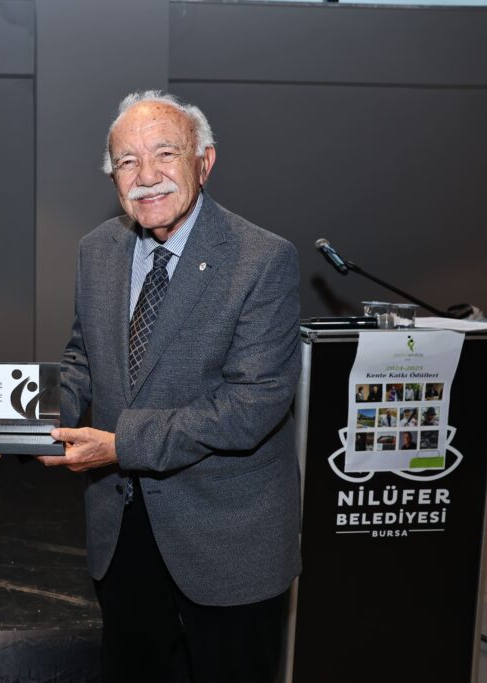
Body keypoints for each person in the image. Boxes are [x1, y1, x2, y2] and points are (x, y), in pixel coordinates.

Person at [40, 91, 301, 682]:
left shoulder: (262, 259)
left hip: (227, 536)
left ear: (204, 162)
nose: (146, 176)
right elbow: (84, 356)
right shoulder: (97, 250)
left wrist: (120, 445)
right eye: (127, 162)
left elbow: (252, 404)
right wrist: (27, 417)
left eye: (165, 154)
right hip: (123, 527)